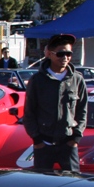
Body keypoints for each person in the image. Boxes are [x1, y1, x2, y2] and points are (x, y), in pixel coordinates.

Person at [23, 33, 87, 172]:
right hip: (44, 144)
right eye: (60, 54)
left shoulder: (77, 79)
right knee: (42, 182)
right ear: (50, 54)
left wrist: (75, 138)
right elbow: (29, 113)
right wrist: (37, 140)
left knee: (73, 182)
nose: (65, 58)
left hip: (68, 143)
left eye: (68, 54)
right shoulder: (37, 80)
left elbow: (82, 111)